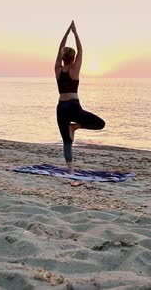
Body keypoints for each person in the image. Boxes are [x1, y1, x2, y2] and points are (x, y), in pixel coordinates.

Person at [55, 21, 105, 185]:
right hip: (73, 107)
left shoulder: (57, 69)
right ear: (73, 58)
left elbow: (59, 48)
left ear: (62, 57)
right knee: (100, 124)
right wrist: (75, 33)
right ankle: (75, 127)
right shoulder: (74, 69)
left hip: (62, 107)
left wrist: (67, 33)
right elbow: (81, 50)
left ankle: (70, 170)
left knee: (67, 141)